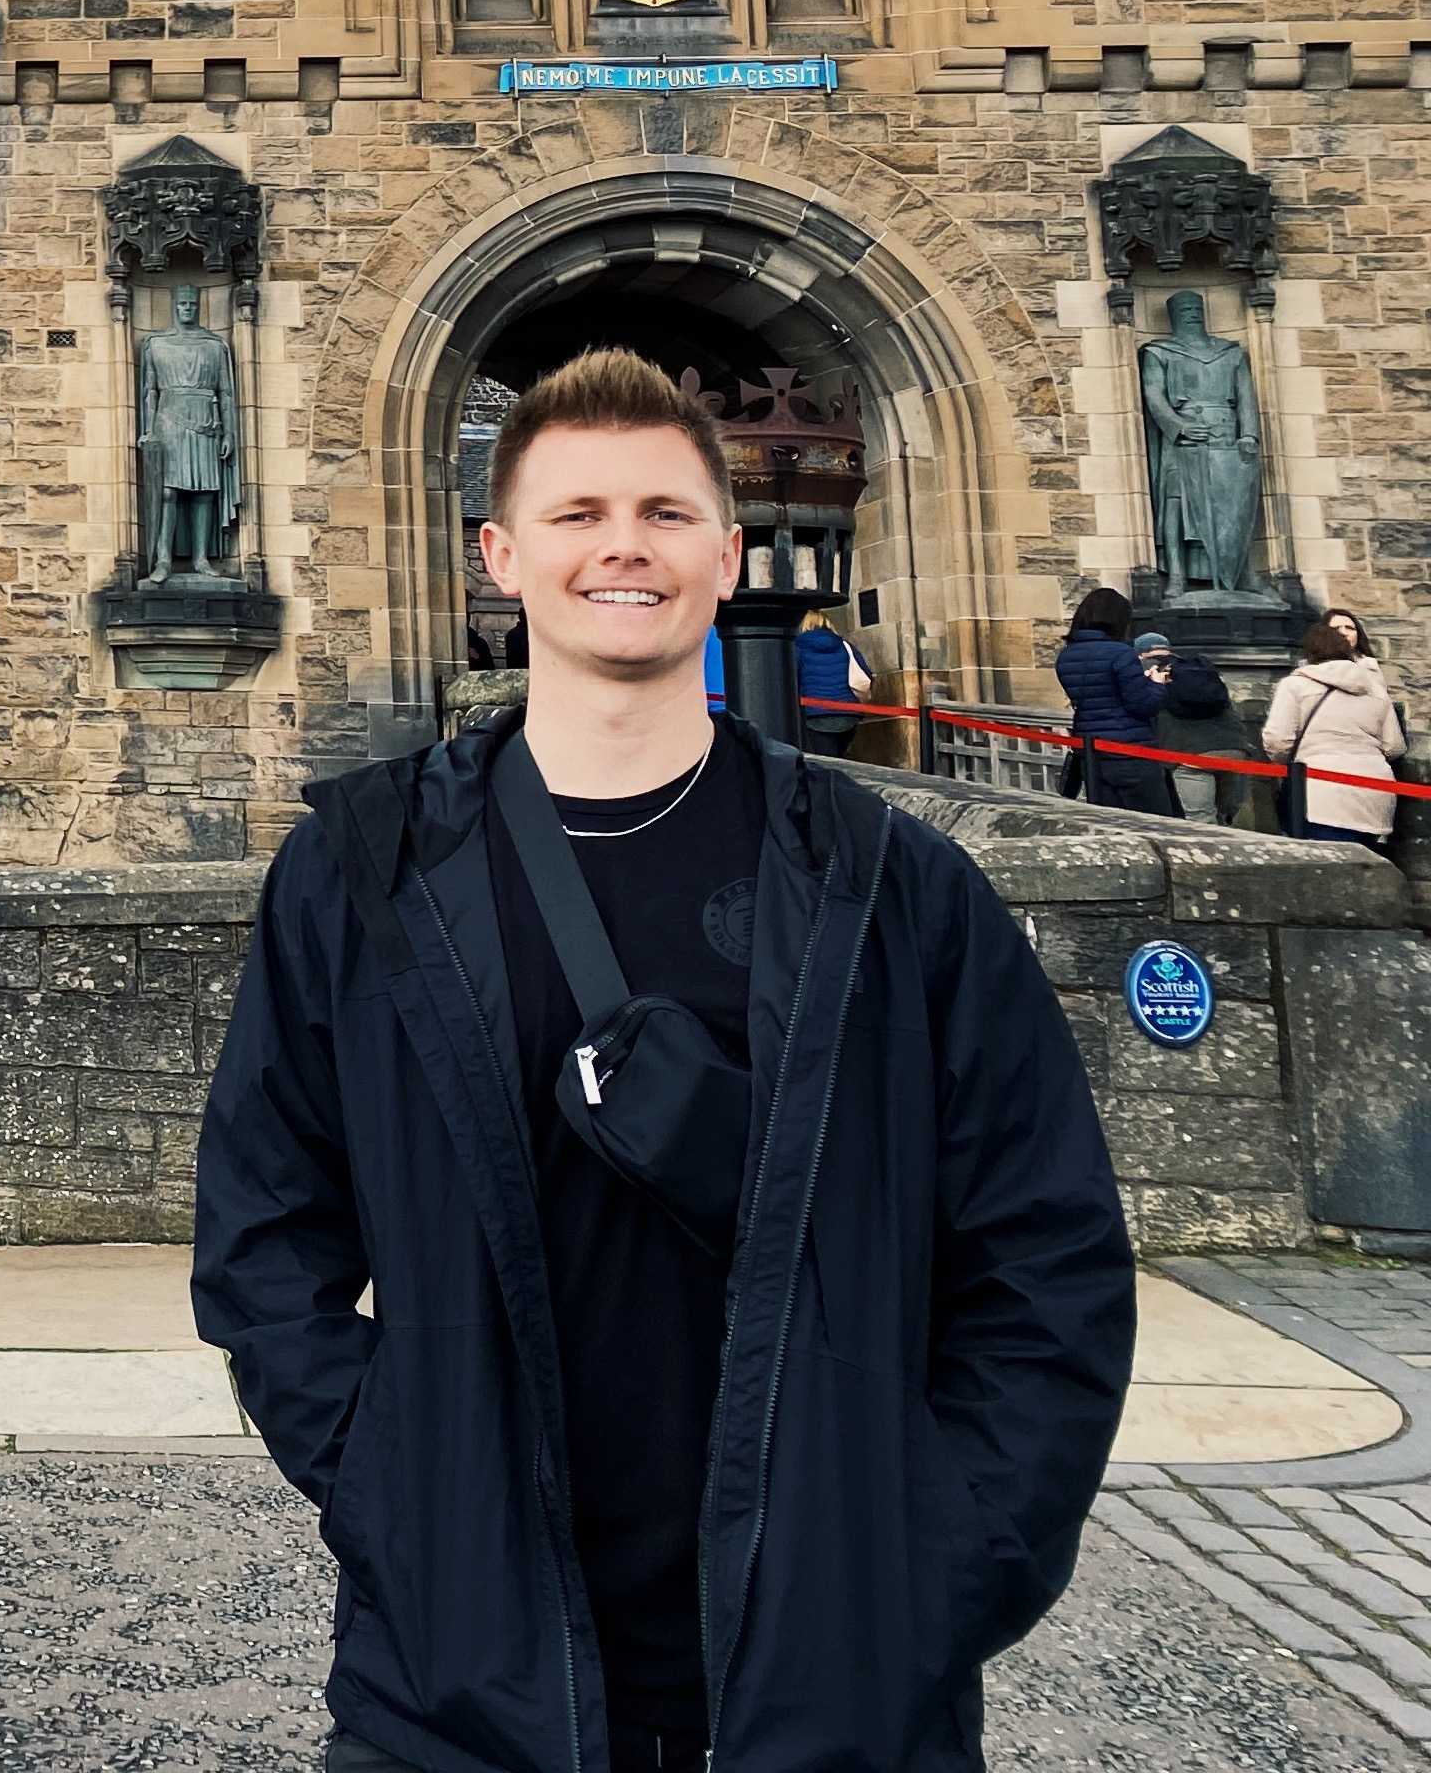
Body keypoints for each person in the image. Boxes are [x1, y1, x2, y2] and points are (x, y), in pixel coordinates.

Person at [196, 346, 1131, 1773]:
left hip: (838, 1679)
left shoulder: (897, 888)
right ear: (498, 553)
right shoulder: (357, 877)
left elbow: (1045, 1255)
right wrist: (399, 1487)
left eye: (665, 512)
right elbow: (264, 1238)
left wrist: (939, 1563)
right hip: (465, 1685)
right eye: (576, 515)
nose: (621, 546)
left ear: (728, 551)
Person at [1262, 618, 1409, 853]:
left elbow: (1278, 741)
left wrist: (1287, 763)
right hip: (1375, 793)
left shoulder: (1295, 685)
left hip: (1319, 793)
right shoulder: (1375, 687)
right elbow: (1394, 746)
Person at [1053, 586, 1178, 816]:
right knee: (1158, 823)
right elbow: (1142, 705)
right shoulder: (1120, 653)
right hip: (1131, 753)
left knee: (1113, 823)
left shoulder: (1066, 656)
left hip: (1093, 754)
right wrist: (1157, 684)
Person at [1152, 639, 1275, 831]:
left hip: (1189, 755)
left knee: (1200, 820)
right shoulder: (1214, 687)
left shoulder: (1165, 690)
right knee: (1227, 817)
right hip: (1234, 749)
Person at [791, 610, 859, 758]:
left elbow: (791, 680)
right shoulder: (845, 645)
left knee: (825, 762)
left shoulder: (797, 648)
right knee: (841, 759)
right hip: (848, 713)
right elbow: (864, 673)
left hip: (816, 715)